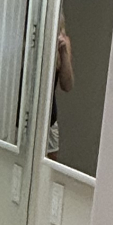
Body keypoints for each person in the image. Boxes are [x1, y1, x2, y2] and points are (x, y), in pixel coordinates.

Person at [47, 16, 74, 155]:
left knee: (47, 174)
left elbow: (67, 85)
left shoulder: (62, 41)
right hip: (18, 119)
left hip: (49, 120)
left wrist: (63, 52)